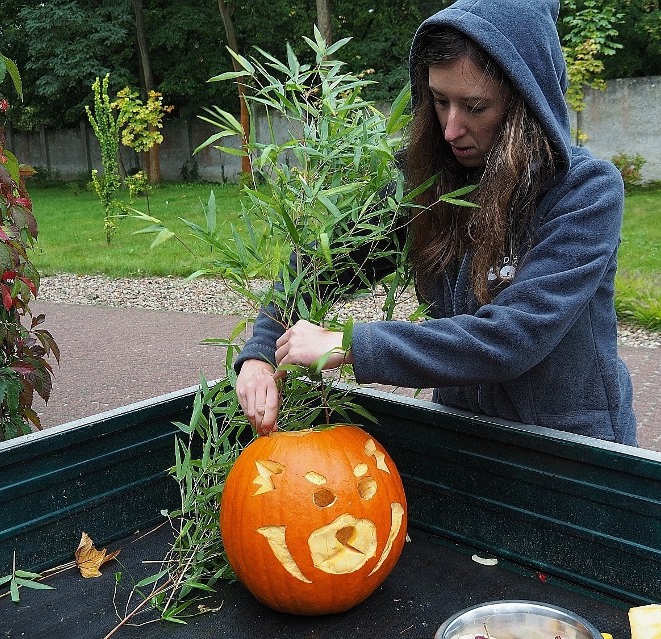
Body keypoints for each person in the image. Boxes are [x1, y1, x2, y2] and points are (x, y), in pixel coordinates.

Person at [234, 0, 637, 445]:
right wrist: (260, 352)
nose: (450, 128)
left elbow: (512, 338)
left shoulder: (585, 192)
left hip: (568, 449)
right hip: (463, 436)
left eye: (475, 106)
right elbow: (316, 270)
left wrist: (349, 344)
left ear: (526, 101)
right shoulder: (428, 189)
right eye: (440, 101)